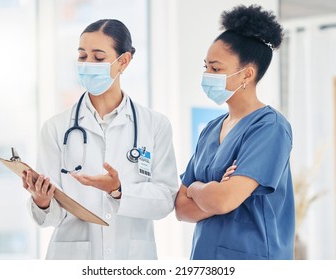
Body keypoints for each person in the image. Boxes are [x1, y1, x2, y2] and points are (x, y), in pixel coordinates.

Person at [22, 19, 178, 260]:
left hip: (132, 258)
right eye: (82, 56)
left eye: (98, 57)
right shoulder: (55, 128)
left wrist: (118, 190)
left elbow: (165, 200)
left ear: (123, 62)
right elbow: (53, 217)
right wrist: (42, 201)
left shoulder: (155, 125)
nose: (87, 64)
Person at [175, 5, 295, 260]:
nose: (207, 75)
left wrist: (196, 188)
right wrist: (214, 190)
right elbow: (182, 209)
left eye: (216, 69)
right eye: (206, 66)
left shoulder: (269, 128)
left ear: (247, 75)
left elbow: (222, 201)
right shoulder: (210, 130)